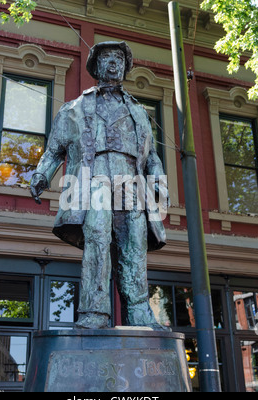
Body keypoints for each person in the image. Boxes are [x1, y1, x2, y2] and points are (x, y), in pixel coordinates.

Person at [30, 41, 169, 330]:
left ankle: (139, 313)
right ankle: (94, 313)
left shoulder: (139, 112)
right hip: (94, 183)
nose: (114, 63)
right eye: (107, 58)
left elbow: (152, 157)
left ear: (125, 67)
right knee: (97, 240)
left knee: (134, 247)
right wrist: (41, 175)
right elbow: (55, 149)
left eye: (119, 58)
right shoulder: (76, 108)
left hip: (132, 184)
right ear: (96, 66)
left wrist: (158, 185)